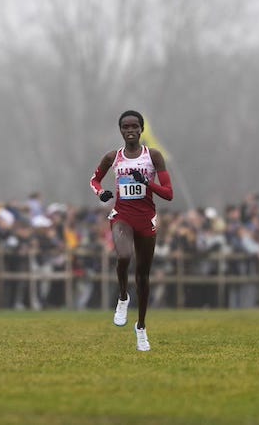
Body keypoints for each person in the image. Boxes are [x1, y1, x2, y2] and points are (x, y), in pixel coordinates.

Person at [89, 110, 173, 351]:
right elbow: (94, 180)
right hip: (122, 216)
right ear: (120, 130)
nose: (130, 130)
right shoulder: (113, 157)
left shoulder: (153, 156)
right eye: (125, 127)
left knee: (143, 276)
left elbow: (168, 193)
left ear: (141, 129)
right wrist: (101, 193)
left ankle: (141, 328)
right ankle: (123, 297)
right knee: (124, 256)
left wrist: (146, 182)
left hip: (145, 218)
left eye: (134, 126)